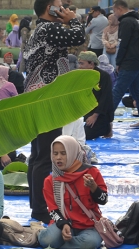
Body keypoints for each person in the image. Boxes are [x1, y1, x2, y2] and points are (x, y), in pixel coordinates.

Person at [23, 0, 85, 223]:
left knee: (37, 155)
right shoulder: (50, 28)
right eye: (59, 4)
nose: (64, 7)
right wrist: (73, 20)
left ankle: (35, 206)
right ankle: (40, 211)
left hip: (35, 97)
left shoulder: (37, 29)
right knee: (44, 158)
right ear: (49, 7)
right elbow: (78, 38)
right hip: (48, 98)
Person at [38, 135, 107, 249]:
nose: (58, 158)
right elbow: (52, 210)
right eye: (55, 154)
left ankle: (59, 245)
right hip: (63, 224)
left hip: (89, 226)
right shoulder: (51, 181)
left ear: (73, 153)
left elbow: (104, 200)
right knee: (47, 240)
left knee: (90, 243)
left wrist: (94, 188)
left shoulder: (91, 172)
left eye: (63, 153)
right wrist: (64, 224)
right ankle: (60, 241)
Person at [77, 51, 114, 140]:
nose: (80, 66)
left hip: (102, 112)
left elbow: (105, 98)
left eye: (82, 63)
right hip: (88, 110)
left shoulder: (104, 76)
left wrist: (95, 115)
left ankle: (107, 128)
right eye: (79, 63)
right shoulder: (82, 76)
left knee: (86, 135)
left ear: (91, 64)